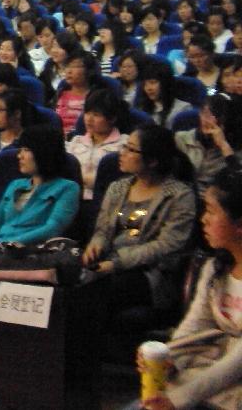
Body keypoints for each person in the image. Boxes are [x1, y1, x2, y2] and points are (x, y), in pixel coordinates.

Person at [134, 168, 242, 409]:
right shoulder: (216, 268)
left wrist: (179, 399)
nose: (203, 219)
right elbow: (195, 326)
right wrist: (170, 357)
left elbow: (237, 363)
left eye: (211, 211)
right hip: (206, 379)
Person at [82, 125, 195, 322]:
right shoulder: (118, 188)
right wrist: (96, 244)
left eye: (131, 149)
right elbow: (103, 229)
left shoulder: (179, 196)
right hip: (109, 262)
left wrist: (117, 263)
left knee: (97, 293)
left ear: (152, 161)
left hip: (150, 274)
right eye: (124, 146)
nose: (122, 153)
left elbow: (166, 246)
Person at [0, 125, 79, 258]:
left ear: (44, 152)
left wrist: (6, 244)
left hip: (29, 254)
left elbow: (52, 229)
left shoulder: (67, 188)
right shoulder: (16, 185)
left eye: (26, 150)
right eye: (20, 150)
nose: (19, 156)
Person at [66, 89, 128, 198]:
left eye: (96, 114)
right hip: (71, 197)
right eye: (87, 113)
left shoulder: (124, 144)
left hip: (104, 199)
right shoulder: (76, 141)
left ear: (112, 118)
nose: (89, 119)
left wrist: (81, 179)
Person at [175, 93, 242, 194]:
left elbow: (239, 185)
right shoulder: (181, 139)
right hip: (181, 196)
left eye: (216, 116)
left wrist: (224, 146)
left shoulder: (235, 151)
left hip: (214, 200)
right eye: (205, 114)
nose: (208, 121)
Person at [137, 61, 192, 128]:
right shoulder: (141, 110)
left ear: (165, 83)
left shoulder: (183, 109)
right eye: (145, 84)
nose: (148, 88)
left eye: (153, 82)